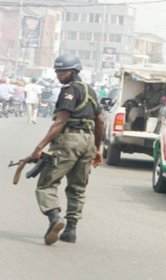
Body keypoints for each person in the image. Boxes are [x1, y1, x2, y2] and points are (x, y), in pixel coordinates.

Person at [30, 54, 104, 245]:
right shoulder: (91, 92)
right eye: (57, 71)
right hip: (88, 141)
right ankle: (71, 230)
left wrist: (39, 148)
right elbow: (100, 121)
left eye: (62, 71)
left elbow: (59, 123)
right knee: (78, 187)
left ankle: (55, 218)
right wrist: (97, 147)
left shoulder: (69, 91)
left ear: (73, 72)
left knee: (46, 183)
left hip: (69, 140)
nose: (58, 75)